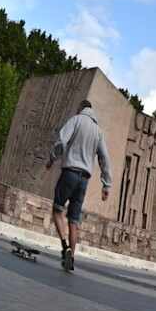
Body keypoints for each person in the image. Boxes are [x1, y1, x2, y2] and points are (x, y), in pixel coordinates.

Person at [45, 99, 112, 273]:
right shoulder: (98, 131)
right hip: (84, 180)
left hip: (70, 173)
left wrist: (52, 158)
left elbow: (61, 142)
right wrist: (106, 184)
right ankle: (72, 258)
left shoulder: (76, 120)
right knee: (74, 220)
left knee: (57, 210)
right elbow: (104, 158)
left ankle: (65, 246)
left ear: (81, 108)